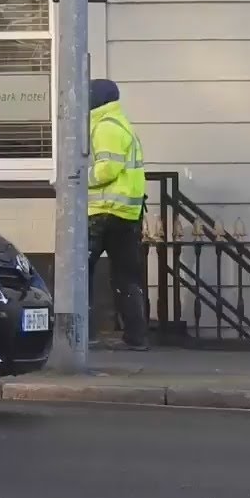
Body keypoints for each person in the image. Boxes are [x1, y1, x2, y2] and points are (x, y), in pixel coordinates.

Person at [87, 78, 149, 351]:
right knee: (126, 277)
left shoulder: (104, 126)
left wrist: (76, 179)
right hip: (126, 213)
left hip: (103, 212)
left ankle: (82, 336)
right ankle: (136, 337)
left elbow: (106, 170)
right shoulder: (120, 123)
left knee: (79, 274)